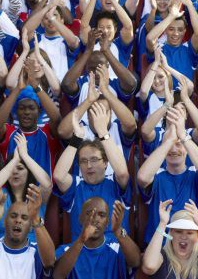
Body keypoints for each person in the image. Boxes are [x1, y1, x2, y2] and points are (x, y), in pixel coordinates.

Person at [137, 105, 198, 244]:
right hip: (161, 245)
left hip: (192, 247)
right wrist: (170, 140)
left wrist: (183, 137)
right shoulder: (157, 176)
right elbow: (142, 178)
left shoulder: (195, 174)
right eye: (169, 144)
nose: (173, 149)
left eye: (178, 144)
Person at [53, 105, 131, 241]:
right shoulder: (76, 185)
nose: (89, 166)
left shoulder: (114, 183)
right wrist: (77, 138)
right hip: (82, 251)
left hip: (113, 249)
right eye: (83, 161)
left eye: (94, 159)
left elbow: (123, 173)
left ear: (106, 162)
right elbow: (59, 177)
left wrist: (102, 132)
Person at [58, 66, 136, 176]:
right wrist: (88, 101)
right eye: (95, 111)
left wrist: (106, 91)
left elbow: (131, 124)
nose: (100, 116)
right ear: (88, 115)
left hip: (113, 188)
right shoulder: (80, 130)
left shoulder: (117, 128)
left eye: (104, 111)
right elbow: (62, 131)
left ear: (110, 114)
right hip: (83, 188)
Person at [0, 76, 61, 180]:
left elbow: (57, 119)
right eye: (22, 108)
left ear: (39, 111)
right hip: (11, 193)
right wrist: (18, 88)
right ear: (15, 111)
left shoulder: (46, 133)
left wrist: (37, 86)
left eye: (32, 108)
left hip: (42, 193)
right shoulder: (9, 133)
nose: (27, 112)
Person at [0, 133, 53, 241]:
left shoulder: (36, 194)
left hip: (33, 250)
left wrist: (25, 156)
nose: (15, 172)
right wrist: (14, 160)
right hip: (4, 250)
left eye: (20, 168)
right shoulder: (2, 196)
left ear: (29, 173)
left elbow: (47, 184)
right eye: (12, 169)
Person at [52, 198, 141, 279]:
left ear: (107, 223)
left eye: (101, 215)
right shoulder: (66, 250)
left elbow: (136, 262)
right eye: (89, 213)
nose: (95, 219)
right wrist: (81, 240)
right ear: (80, 219)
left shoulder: (117, 248)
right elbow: (57, 275)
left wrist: (118, 231)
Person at [141, 199, 198, 279]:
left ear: (197, 235)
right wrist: (162, 224)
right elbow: (149, 266)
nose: (183, 237)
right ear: (171, 234)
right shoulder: (160, 256)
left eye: (190, 233)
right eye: (178, 231)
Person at [146, 0, 198, 84]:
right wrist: (171, 16)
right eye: (171, 29)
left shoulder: (188, 48)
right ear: (165, 30)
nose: (176, 34)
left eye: (180, 30)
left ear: (184, 31)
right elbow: (149, 38)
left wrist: (190, 5)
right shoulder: (159, 48)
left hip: (183, 94)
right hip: (162, 93)